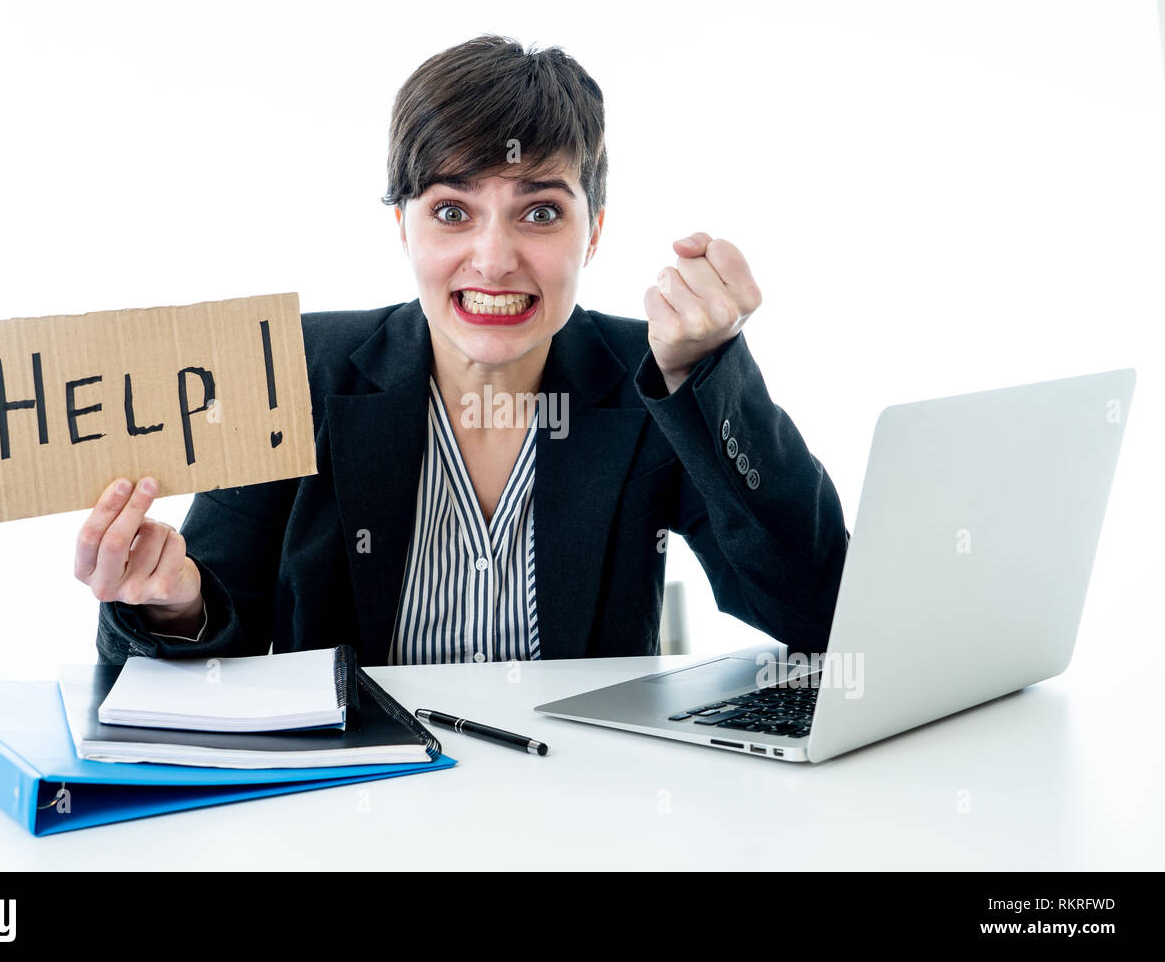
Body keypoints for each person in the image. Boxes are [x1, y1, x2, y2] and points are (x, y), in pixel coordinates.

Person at [77, 34, 850, 668]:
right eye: (452, 210)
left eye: (540, 212)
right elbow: (204, 643)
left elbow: (819, 609)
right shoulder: (300, 370)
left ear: (597, 232)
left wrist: (706, 377)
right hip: (351, 810)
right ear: (402, 228)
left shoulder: (649, 383)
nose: (493, 259)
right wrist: (175, 605)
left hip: (581, 808)